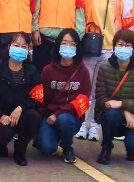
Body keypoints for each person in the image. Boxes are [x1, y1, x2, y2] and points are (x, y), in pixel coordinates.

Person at [76, 0, 123, 142]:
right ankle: (82, 123)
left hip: (110, 47)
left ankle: (95, 125)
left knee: (100, 90)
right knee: (85, 87)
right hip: (90, 45)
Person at [95, 29, 134, 165]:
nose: (123, 48)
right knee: (111, 113)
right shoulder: (104, 68)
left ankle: (132, 147)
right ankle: (106, 147)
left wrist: (121, 104)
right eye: (120, 45)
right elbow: (100, 98)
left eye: (128, 46)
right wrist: (124, 111)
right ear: (114, 46)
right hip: (112, 117)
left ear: (133, 49)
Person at [0, 32, 42, 166]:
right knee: (3, 134)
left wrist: (21, 108)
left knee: (33, 116)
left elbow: (37, 98)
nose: (19, 49)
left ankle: (20, 151)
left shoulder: (32, 71)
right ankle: (2, 145)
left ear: (28, 49)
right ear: (9, 47)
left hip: (21, 115)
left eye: (23, 46)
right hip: (1, 116)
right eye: (16, 45)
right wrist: (0, 116)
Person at [38, 28, 91, 164]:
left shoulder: (83, 71)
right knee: (46, 149)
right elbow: (42, 99)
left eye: (72, 44)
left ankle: (67, 146)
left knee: (64, 120)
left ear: (77, 48)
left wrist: (58, 114)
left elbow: (83, 100)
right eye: (64, 43)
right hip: (49, 117)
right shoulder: (48, 70)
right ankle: (52, 136)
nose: (68, 47)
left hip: (70, 117)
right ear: (58, 45)